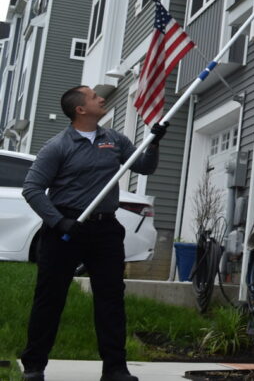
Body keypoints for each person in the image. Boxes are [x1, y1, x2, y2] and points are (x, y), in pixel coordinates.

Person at [19, 86, 167, 381]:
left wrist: (154, 142)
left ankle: (115, 368)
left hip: (105, 229)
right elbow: (32, 189)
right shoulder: (58, 146)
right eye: (93, 96)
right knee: (50, 298)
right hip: (65, 228)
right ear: (80, 110)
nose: (101, 98)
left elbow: (144, 167)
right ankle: (34, 366)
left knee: (111, 297)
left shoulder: (114, 140)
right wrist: (59, 222)